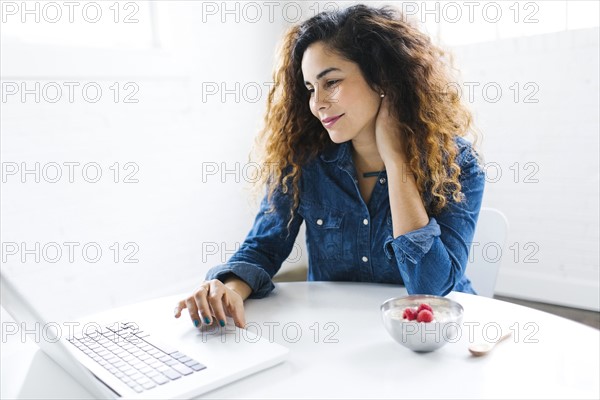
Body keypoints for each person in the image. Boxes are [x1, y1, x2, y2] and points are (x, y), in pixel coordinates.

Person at [174, 4, 485, 329]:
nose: (317, 103)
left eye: (331, 82)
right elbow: (264, 245)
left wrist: (397, 162)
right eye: (310, 88)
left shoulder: (458, 164)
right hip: (336, 332)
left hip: (430, 338)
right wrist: (229, 290)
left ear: (382, 78)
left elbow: (430, 291)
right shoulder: (304, 161)